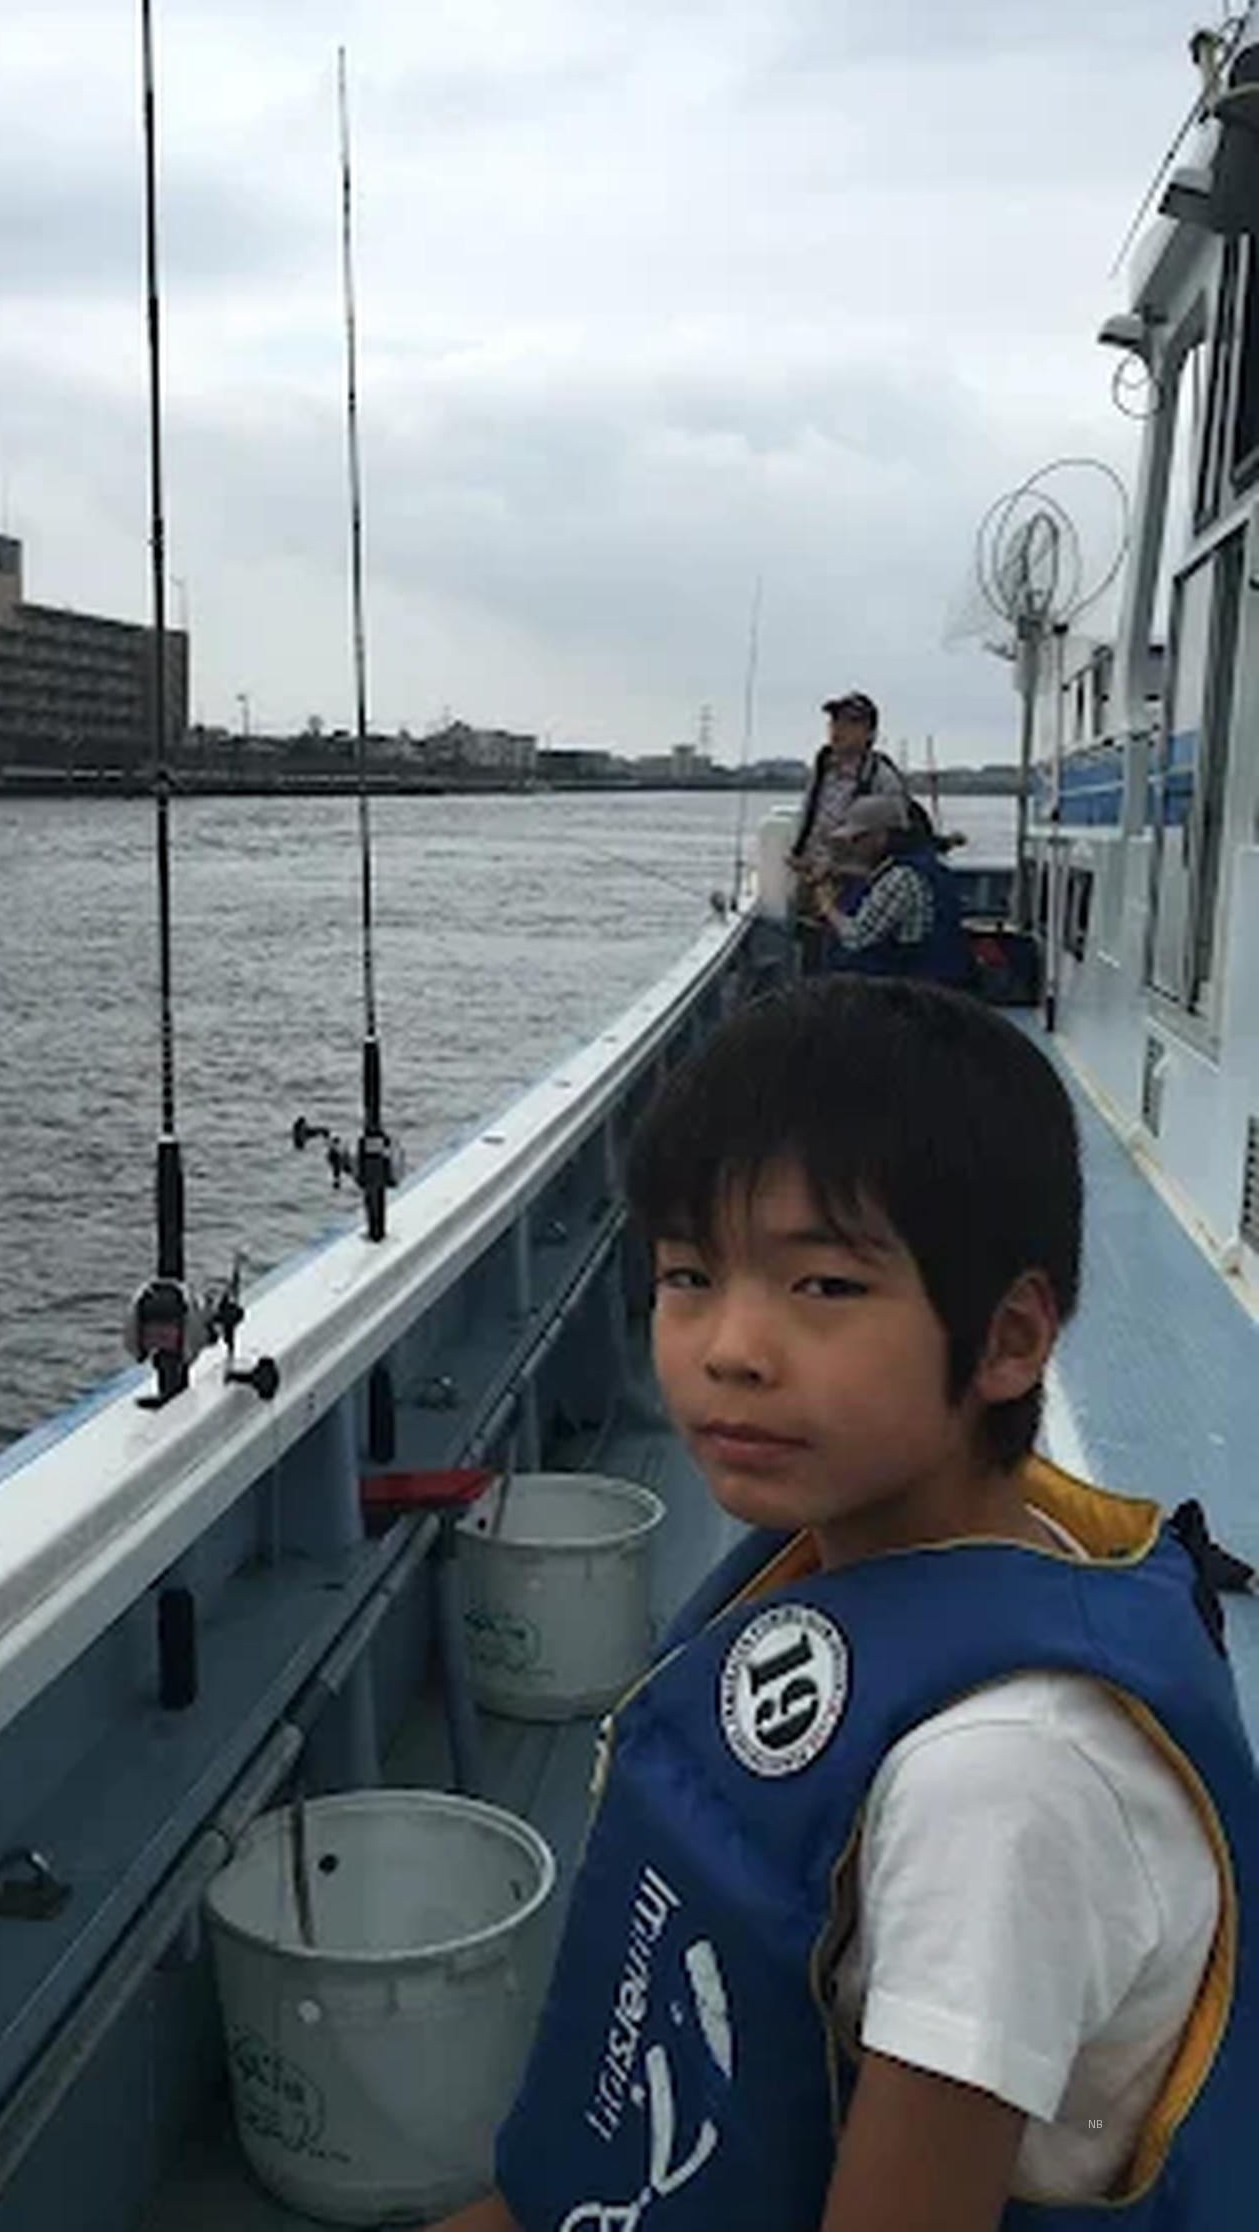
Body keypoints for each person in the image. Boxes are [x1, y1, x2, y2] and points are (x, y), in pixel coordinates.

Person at [428, 978, 1254, 2232]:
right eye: (690, 1274)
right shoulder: (864, 1551)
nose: (729, 1348)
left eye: (821, 1288)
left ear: (1009, 1341)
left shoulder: (1002, 1789)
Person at [808, 793, 971, 985]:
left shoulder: (901, 877)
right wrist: (838, 871)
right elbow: (875, 875)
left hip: (909, 991)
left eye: (856, 839)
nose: (852, 846)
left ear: (880, 836)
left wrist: (825, 902)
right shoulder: (922, 862)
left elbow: (856, 937)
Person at [790, 691, 914, 919]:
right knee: (807, 941)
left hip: (853, 889)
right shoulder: (822, 768)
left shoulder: (884, 779)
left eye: (851, 722)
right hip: (809, 878)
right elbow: (809, 817)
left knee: (840, 947)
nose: (839, 728)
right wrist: (799, 856)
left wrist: (836, 869)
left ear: (870, 734)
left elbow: (892, 845)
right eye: (835, 721)